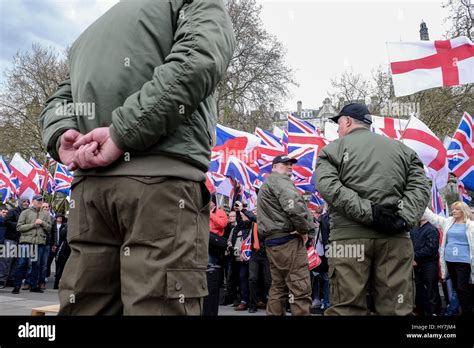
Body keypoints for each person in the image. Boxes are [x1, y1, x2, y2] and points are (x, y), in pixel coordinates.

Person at [39, 0, 235, 315]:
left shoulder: (92, 32)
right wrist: (122, 133)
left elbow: (59, 100)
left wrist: (63, 136)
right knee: (158, 306)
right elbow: (198, 61)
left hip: (91, 192)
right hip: (161, 186)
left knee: (87, 305)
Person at [314, 103, 431, 315]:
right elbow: (421, 186)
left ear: (348, 121)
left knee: (347, 309)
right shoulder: (403, 150)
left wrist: (370, 212)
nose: (338, 130)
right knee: (396, 308)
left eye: (338, 124)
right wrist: (403, 218)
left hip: (349, 239)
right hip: (395, 238)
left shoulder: (331, 151)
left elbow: (328, 187)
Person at [258, 154, 316, 316]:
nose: (290, 166)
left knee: (278, 287)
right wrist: (304, 229)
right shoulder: (280, 180)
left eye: (291, 164)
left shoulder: (267, 183)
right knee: (300, 289)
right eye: (285, 164)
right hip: (288, 242)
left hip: (273, 242)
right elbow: (295, 206)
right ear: (274, 167)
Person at [423, 201, 474, 316]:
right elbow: (432, 217)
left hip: (464, 262)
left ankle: (467, 311)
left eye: (456, 209)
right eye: (453, 209)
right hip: (449, 261)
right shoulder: (448, 222)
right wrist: (420, 203)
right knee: (457, 288)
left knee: (462, 288)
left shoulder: (471, 226)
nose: (453, 211)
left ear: (463, 211)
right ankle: (465, 310)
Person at [12, 195, 51, 294]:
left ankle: (34, 286)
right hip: (26, 242)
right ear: (33, 201)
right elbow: (19, 227)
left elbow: (49, 228)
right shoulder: (25, 212)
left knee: (36, 265)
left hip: (39, 243)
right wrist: (33, 224)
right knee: (21, 264)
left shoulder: (46, 214)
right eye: (37, 200)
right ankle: (16, 286)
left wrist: (42, 223)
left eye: (41, 200)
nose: (40, 202)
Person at [410, 218, 441, 316]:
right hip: (416, 264)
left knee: (432, 289)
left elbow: (431, 248)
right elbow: (410, 245)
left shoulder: (432, 229)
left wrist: (413, 256)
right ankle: (422, 311)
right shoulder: (414, 228)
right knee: (418, 289)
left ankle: (434, 312)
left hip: (429, 264)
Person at [0, 197, 30, 288]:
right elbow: (6, 221)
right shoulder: (13, 211)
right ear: (20, 202)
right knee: (6, 260)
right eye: (24, 201)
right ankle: (1, 280)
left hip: (21, 240)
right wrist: (18, 226)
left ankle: (10, 280)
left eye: (28, 202)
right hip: (10, 238)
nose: (26, 203)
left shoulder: (27, 213)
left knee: (16, 262)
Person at [233, 201, 256, 311]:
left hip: (256, 256)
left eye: (244, 214)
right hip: (244, 256)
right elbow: (240, 223)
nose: (243, 216)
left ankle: (254, 302)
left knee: (254, 279)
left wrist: (243, 210)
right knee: (243, 278)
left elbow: (252, 217)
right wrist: (238, 212)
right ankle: (244, 301)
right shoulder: (245, 225)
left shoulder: (255, 222)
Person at [248, 209, 272, 313]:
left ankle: (269, 303)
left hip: (267, 254)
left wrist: (243, 210)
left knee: (268, 281)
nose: (256, 212)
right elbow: (240, 224)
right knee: (253, 279)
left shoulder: (268, 220)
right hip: (255, 254)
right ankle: (252, 305)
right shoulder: (252, 223)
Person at [37, 202, 54, 290]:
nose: (46, 208)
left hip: (47, 243)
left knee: (44, 264)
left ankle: (42, 282)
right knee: (36, 263)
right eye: (44, 207)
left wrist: (54, 243)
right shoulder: (37, 215)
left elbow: (53, 231)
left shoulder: (52, 218)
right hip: (37, 242)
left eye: (47, 207)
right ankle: (33, 282)